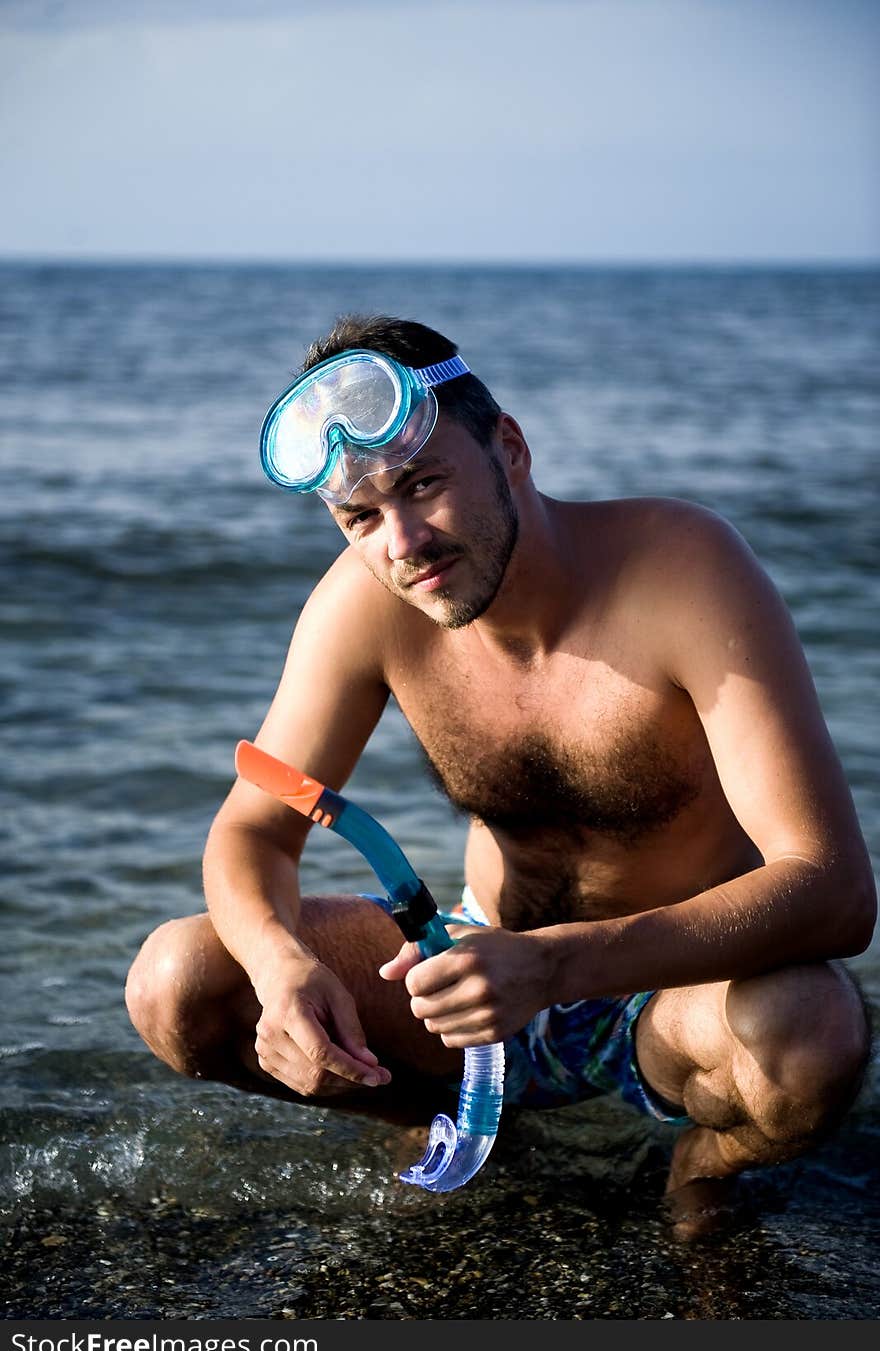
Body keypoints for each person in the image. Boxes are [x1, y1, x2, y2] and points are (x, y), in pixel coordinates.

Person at [126, 314, 876, 1239]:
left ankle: (704, 1165)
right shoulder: (365, 604)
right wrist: (282, 969)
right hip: (481, 966)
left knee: (810, 1038)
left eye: (425, 484)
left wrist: (559, 963)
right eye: (360, 516)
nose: (402, 543)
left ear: (510, 448)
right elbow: (253, 828)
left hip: (678, 991)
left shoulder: (682, 572)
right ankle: (433, 1121)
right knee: (178, 979)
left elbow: (835, 892)